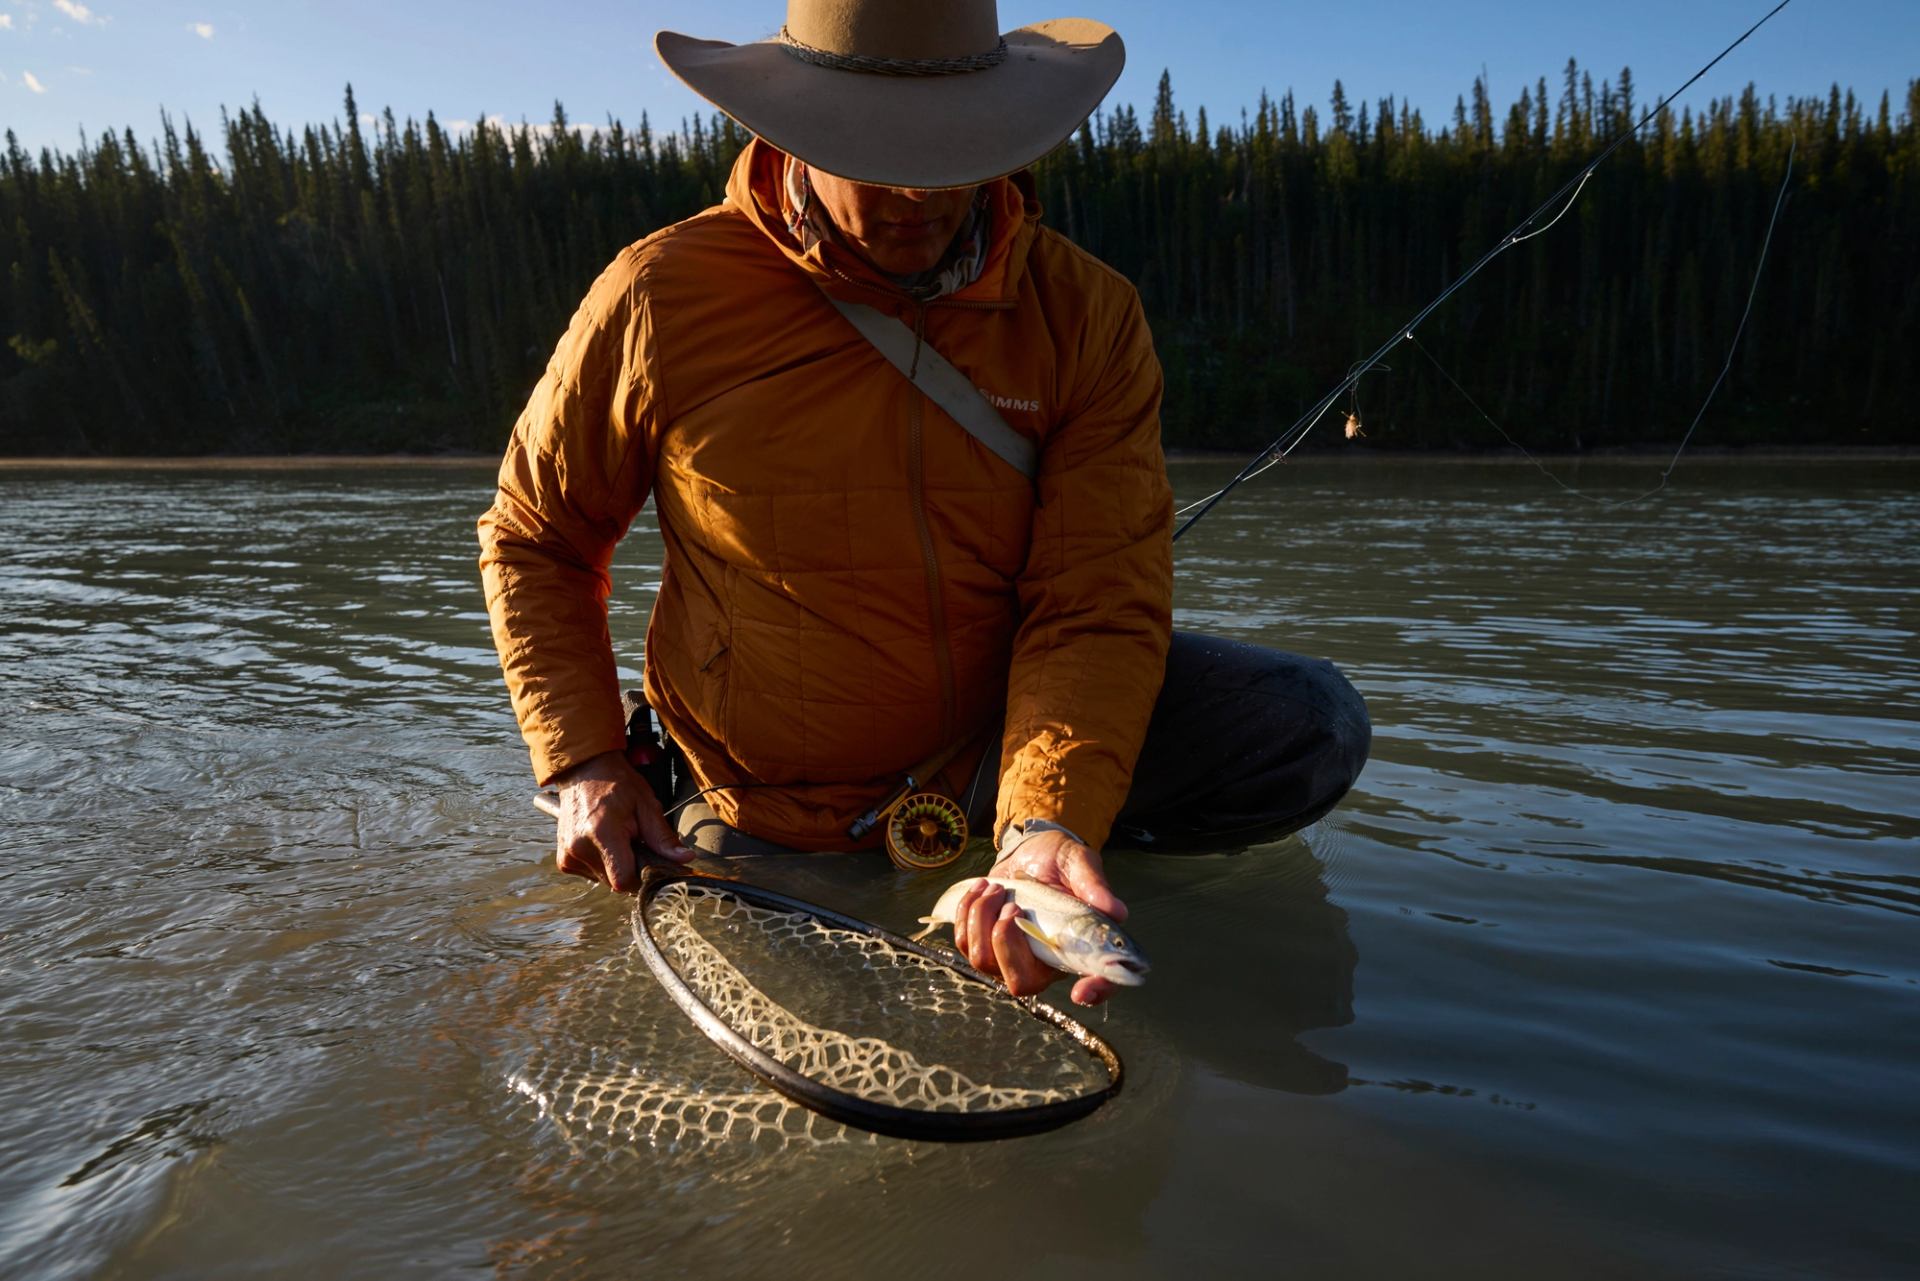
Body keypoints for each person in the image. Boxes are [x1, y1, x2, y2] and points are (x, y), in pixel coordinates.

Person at [478, 0, 1370, 1007]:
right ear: (792, 135)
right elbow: (538, 537)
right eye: (875, 152)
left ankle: (1041, 869)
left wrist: (1048, 827)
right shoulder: (658, 295)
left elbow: (1094, 602)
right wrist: (588, 760)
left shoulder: (1088, 316)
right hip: (761, 790)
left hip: (985, 760)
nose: (917, 191)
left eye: (953, 151)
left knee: (1307, 726)